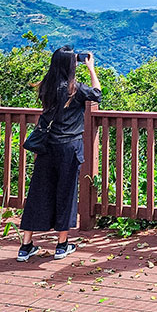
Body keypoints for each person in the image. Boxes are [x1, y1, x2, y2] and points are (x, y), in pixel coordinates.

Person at [18, 45, 101, 262]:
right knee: (66, 193)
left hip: (47, 147)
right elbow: (97, 93)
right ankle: (61, 244)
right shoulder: (76, 89)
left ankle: (25, 245)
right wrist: (91, 68)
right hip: (69, 148)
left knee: (38, 192)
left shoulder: (46, 86)